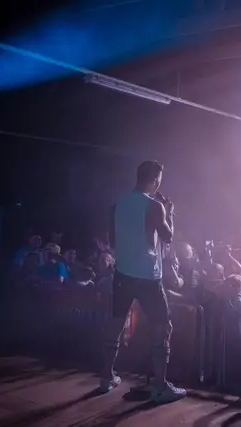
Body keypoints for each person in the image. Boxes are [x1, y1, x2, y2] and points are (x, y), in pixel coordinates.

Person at [99, 160, 185, 403]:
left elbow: (113, 241)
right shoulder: (155, 206)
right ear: (155, 180)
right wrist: (169, 213)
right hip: (148, 276)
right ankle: (160, 386)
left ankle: (106, 377)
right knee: (162, 327)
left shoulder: (117, 205)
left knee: (116, 325)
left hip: (123, 273)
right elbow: (168, 237)